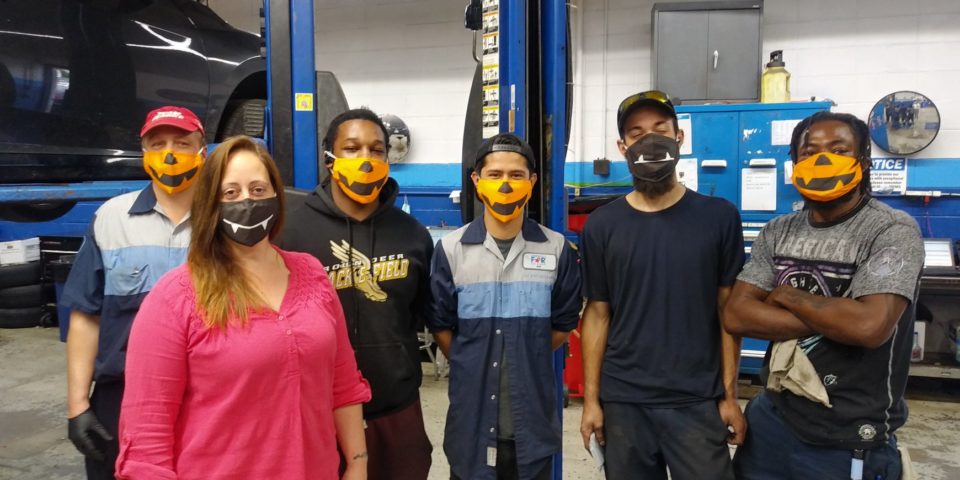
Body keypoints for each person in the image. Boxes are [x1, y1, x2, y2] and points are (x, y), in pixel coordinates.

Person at [115, 136, 371, 479]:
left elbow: (343, 382)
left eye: (258, 189)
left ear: (277, 197)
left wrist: (357, 462)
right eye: (230, 193)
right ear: (209, 204)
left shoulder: (312, 274)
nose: (247, 201)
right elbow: (147, 437)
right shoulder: (174, 299)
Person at [723, 112, 924, 479]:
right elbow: (737, 315)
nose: (822, 160)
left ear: (862, 160)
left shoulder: (890, 230)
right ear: (794, 164)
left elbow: (868, 327)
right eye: (809, 151)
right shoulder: (778, 230)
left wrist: (788, 296)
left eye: (838, 149)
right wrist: (838, 313)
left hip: (848, 435)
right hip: (772, 419)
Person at [578, 90, 746, 480]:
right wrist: (591, 401)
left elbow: (728, 312)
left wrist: (729, 396)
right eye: (636, 134)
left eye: (660, 129)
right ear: (622, 147)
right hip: (624, 402)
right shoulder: (603, 225)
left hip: (697, 401)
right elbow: (598, 314)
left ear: (679, 138)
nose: (649, 140)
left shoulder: (718, 217)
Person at [280, 108, 434, 479]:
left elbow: (417, 313)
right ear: (330, 157)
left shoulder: (412, 234)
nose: (365, 159)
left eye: (376, 149)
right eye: (352, 148)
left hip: (396, 409)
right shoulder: (290, 234)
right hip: (316, 411)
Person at [427, 133, 582, 480]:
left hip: (532, 421)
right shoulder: (452, 250)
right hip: (473, 419)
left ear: (532, 182)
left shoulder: (556, 249)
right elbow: (441, 324)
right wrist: (473, 357)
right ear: (476, 181)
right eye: (495, 175)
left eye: (516, 175)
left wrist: (525, 349)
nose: (506, 185)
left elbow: (562, 324)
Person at [62, 106, 206, 479]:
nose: (170, 154)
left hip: (207, 392)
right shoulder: (111, 219)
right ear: (143, 153)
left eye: (182, 143)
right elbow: (85, 315)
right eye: (158, 144)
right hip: (123, 394)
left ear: (202, 152)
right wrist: (78, 405)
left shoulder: (226, 221)